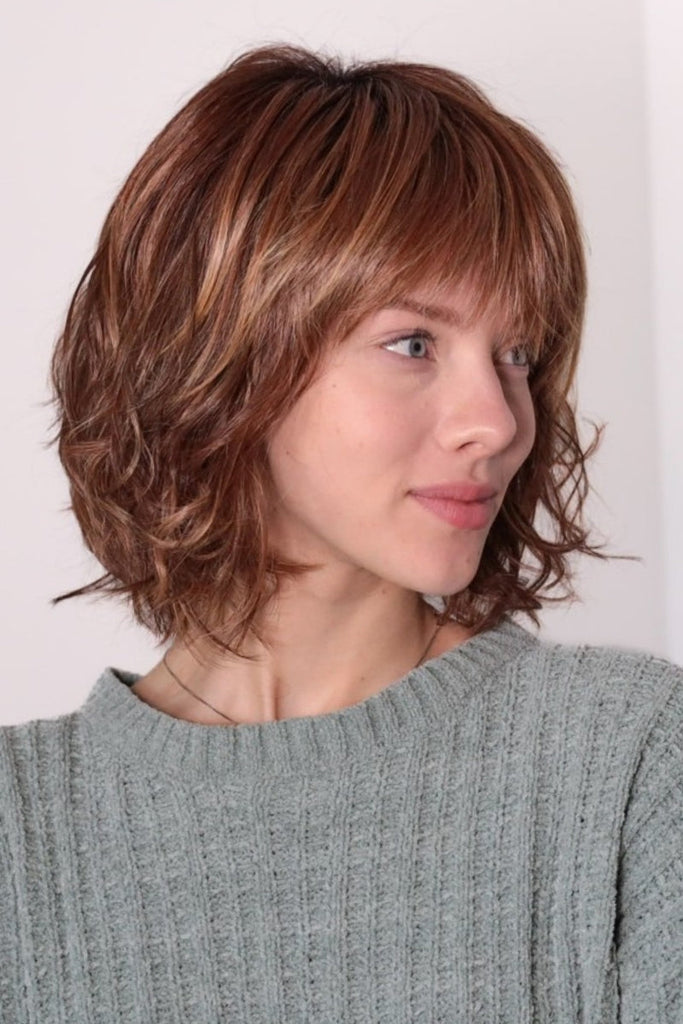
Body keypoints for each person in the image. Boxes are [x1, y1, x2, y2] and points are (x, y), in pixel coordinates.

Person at [1, 44, 681, 1023]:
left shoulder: (630, 765)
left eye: (517, 353)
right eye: (413, 343)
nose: (496, 422)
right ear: (222, 356)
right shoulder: (20, 832)